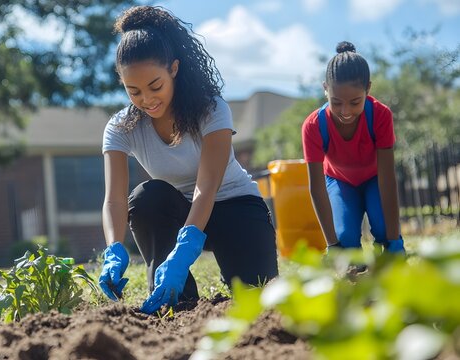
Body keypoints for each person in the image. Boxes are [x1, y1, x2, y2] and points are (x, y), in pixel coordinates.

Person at [98, 5, 279, 315]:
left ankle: (204, 267)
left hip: (233, 207)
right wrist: (114, 248)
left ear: (174, 69)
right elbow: (114, 200)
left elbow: (207, 187)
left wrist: (184, 251)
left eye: (155, 86)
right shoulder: (121, 127)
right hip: (175, 212)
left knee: (257, 292)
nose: (147, 100)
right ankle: (180, 299)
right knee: (146, 197)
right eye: (134, 91)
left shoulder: (210, 109)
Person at [302, 41, 405, 254]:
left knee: (385, 230)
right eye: (336, 102)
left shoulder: (380, 115)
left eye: (355, 102)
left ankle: (385, 250)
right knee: (345, 240)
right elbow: (317, 188)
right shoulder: (314, 126)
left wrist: (394, 240)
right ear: (325, 89)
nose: (345, 111)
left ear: (368, 88)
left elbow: (387, 178)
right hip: (339, 182)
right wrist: (332, 245)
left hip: (375, 179)